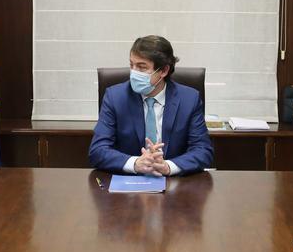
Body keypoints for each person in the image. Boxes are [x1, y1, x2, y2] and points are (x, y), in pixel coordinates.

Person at [88, 35, 213, 176]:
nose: (134, 73)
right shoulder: (115, 97)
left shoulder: (189, 99)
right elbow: (98, 151)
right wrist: (135, 163)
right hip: (127, 184)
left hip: (174, 184)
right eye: (131, 65)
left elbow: (203, 151)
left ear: (164, 71)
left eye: (141, 67)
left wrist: (168, 167)